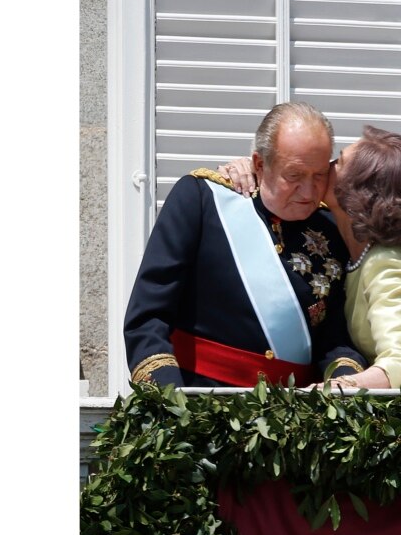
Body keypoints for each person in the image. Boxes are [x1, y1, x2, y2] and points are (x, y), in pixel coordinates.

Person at [124, 102, 367, 387]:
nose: (309, 190)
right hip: (200, 402)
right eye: (294, 175)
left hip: (295, 416)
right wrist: (169, 401)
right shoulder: (203, 200)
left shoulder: (329, 226)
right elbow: (148, 316)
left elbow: (335, 338)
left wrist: (344, 387)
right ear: (260, 165)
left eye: (319, 175)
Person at [220, 126, 401, 389]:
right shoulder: (355, 250)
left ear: (362, 190)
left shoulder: (390, 262)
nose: (328, 165)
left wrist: (337, 388)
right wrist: (257, 169)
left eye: (340, 161)